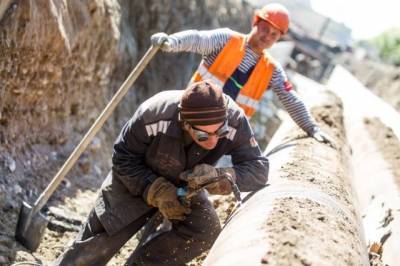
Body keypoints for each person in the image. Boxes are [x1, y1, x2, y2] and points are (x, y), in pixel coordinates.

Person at [52, 80, 269, 265]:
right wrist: (154, 189)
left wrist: (221, 177)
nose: (213, 141)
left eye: (220, 131)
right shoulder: (153, 114)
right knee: (101, 238)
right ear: (186, 124)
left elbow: (259, 169)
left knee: (205, 230)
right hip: (137, 177)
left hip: (187, 187)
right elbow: (123, 158)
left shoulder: (235, 121)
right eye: (204, 136)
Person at [151, 3, 334, 145]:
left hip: (219, 138)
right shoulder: (226, 40)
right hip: (190, 117)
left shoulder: (272, 70)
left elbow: (291, 99)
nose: (267, 37)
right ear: (255, 23)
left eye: (274, 35)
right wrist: (171, 42)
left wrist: (311, 128)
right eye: (265, 29)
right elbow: (197, 39)